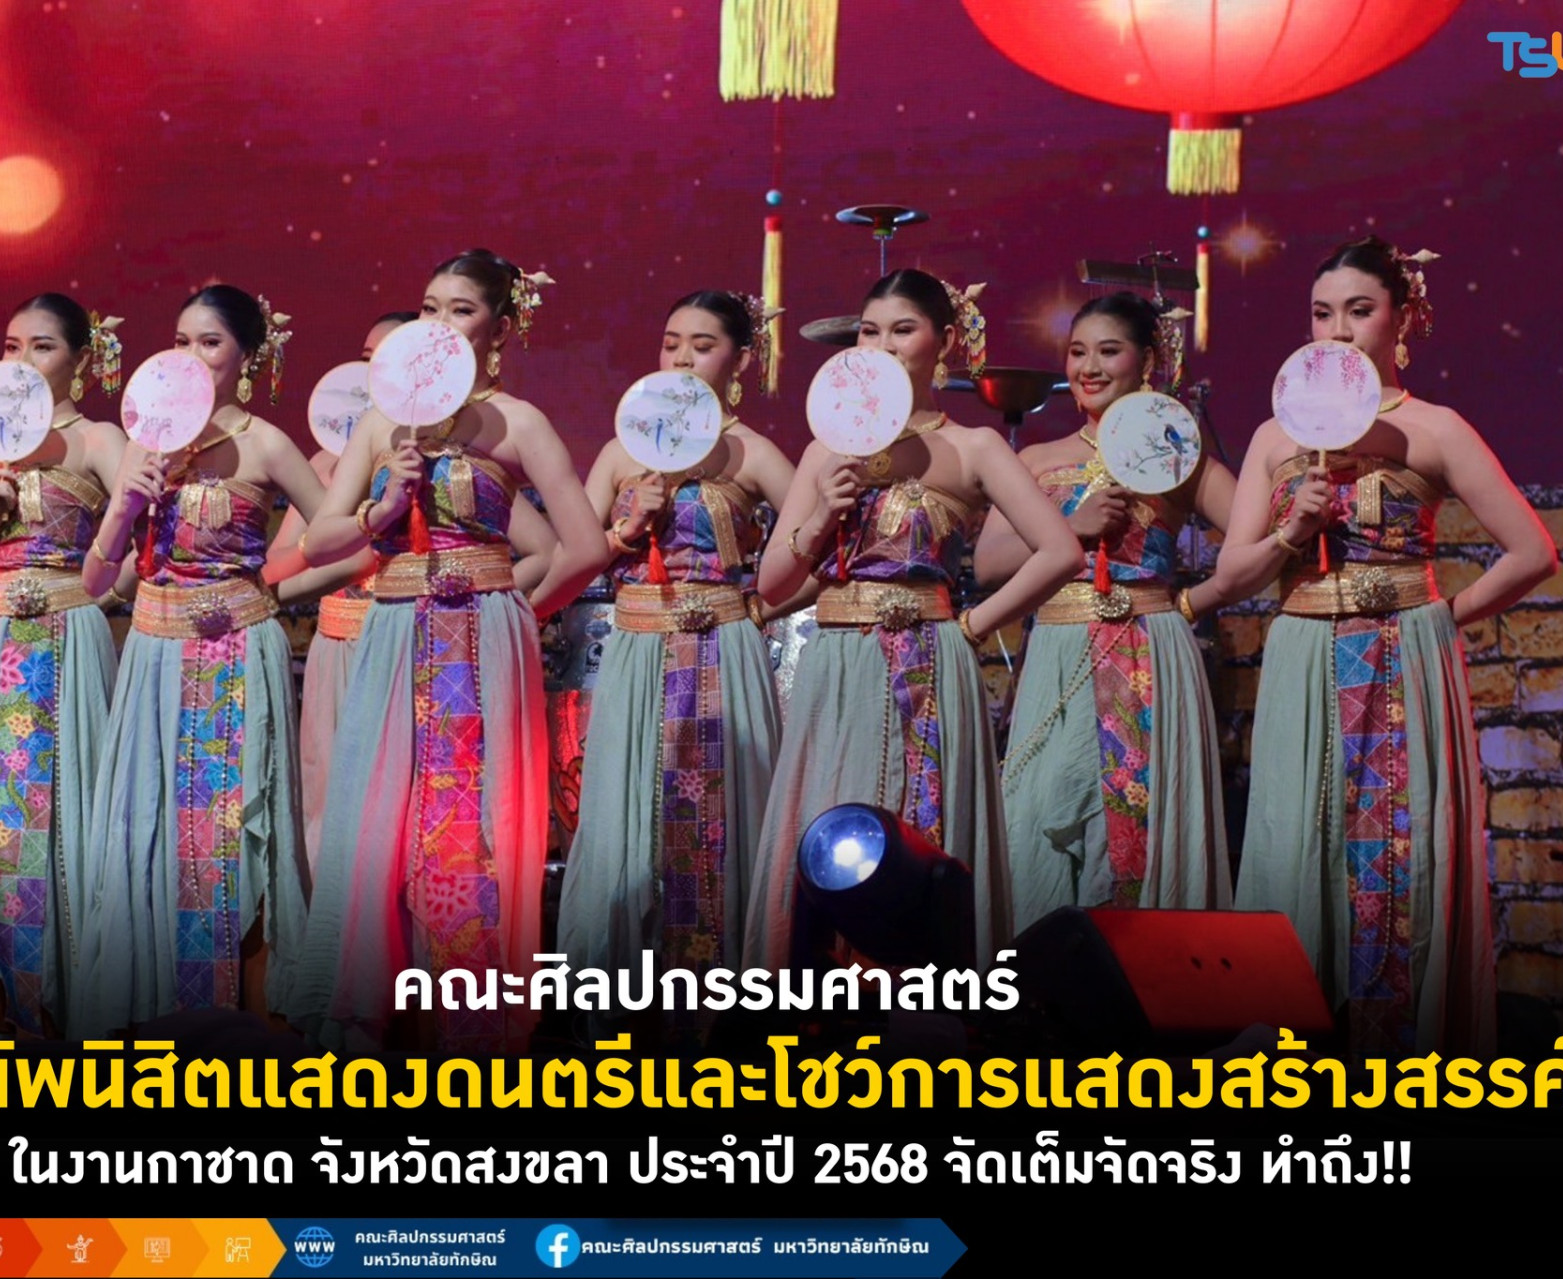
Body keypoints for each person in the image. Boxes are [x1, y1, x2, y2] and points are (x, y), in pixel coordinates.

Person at [1214, 236, 1556, 1056]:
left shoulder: (1433, 428)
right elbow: (1231, 575)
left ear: (1402, 319)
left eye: (1359, 311)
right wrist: (1292, 529)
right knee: (1296, 843)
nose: (1337, 330)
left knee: (1397, 859)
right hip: (1302, 657)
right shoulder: (1273, 437)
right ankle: (1288, 1062)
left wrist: (1437, 618)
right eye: (1321, 314)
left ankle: (1392, 1061)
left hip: (1402, 659)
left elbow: (1533, 552)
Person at [286, 249, 608, 1053]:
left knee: (478, 825)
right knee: (381, 818)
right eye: (429, 306)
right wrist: (382, 506)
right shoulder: (380, 424)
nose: (438, 323)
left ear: (501, 328)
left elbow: (583, 546)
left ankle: (473, 1025)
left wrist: (515, 612)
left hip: (485, 639)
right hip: (395, 632)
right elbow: (318, 541)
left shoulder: (517, 422)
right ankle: (378, 1022)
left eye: (460, 309)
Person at [745, 269, 1084, 972]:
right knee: (833, 824)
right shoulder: (823, 450)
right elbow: (772, 583)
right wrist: (822, 511)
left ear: (945, 341)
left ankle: (928, 1012)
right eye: (871, 331)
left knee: (924, 838)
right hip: (840, 664)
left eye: (904, 329)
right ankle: (823, 1007)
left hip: (932, 659)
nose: (885, 345)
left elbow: (1060, 551)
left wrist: (970, 626)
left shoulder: (974, 447)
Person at [72, 284, 328, 1037]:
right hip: (153, 660)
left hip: (237, 656)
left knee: (236, 843)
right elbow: (95, 583)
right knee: (152, 838)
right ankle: (162, 1035)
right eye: (181, 340)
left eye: (209, 342)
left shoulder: (266, 443)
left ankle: (253, 1041)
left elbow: (343, 538)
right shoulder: (143, 442)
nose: (190, 355)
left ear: (246, 358)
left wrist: (266, 590)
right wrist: (124, 506)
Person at [558, 290, 806, 1033]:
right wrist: (628, 526)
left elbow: (820, 549)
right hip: (637, 654)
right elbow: (576, 558)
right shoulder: (619, 451)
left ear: (741, 359)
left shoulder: (753, 452)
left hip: (723, 652)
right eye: (671, 343)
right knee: (629, 823)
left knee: (721, 834)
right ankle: (622, 1025)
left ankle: (722, 1026)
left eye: (702, 345)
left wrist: (758, 607)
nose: (681, 358)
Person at [264, 312, 558, 881]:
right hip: (345, 643)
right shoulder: (330, 461)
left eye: (391, 356)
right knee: (338, 802)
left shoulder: (461, 457)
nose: (377, 368)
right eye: (368, 358)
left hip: (420, 635)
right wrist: (360, 532)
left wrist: (488, 606)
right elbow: (290, 562)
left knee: (440, 800)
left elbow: (544, 549)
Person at [975, 292, 1238, 929]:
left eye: (1108, 351)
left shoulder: (1178, 454)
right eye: (1077, 352)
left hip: (1149, 648)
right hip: (1059, 649)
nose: (1088, 367)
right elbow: (988, 565)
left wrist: (1187, 603)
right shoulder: (1036, 460)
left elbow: (1254, 542)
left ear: (1145, 361)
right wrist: (1071, 525)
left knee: (1143, 828)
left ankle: (1147, 974)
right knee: (1042, 812)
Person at [0, 293, 128, 1037]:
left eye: (41, 346)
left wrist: (90, 587)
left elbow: (139, 557)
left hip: (67, 641)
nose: (21, 361)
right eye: (11, 346)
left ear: (82, 359)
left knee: (70, 822)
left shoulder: (99, 440)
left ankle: (72, 1025)